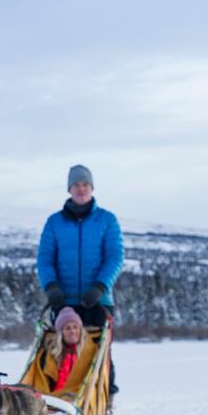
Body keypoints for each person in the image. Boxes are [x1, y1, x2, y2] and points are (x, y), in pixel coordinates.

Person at [36, 163, 123, 392]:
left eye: (85, 184)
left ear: (92, 188)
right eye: (76, 184)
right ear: (69, 189)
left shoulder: (107, 220)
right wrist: (51, 286)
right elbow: (45, 258)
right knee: (59, 355)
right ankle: (58, 401)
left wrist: (100, 286)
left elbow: (115, 257)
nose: (81, 189)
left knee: (99, 354)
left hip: (97, 300)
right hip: (64, 301)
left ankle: (105, 405)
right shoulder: (54, 222)